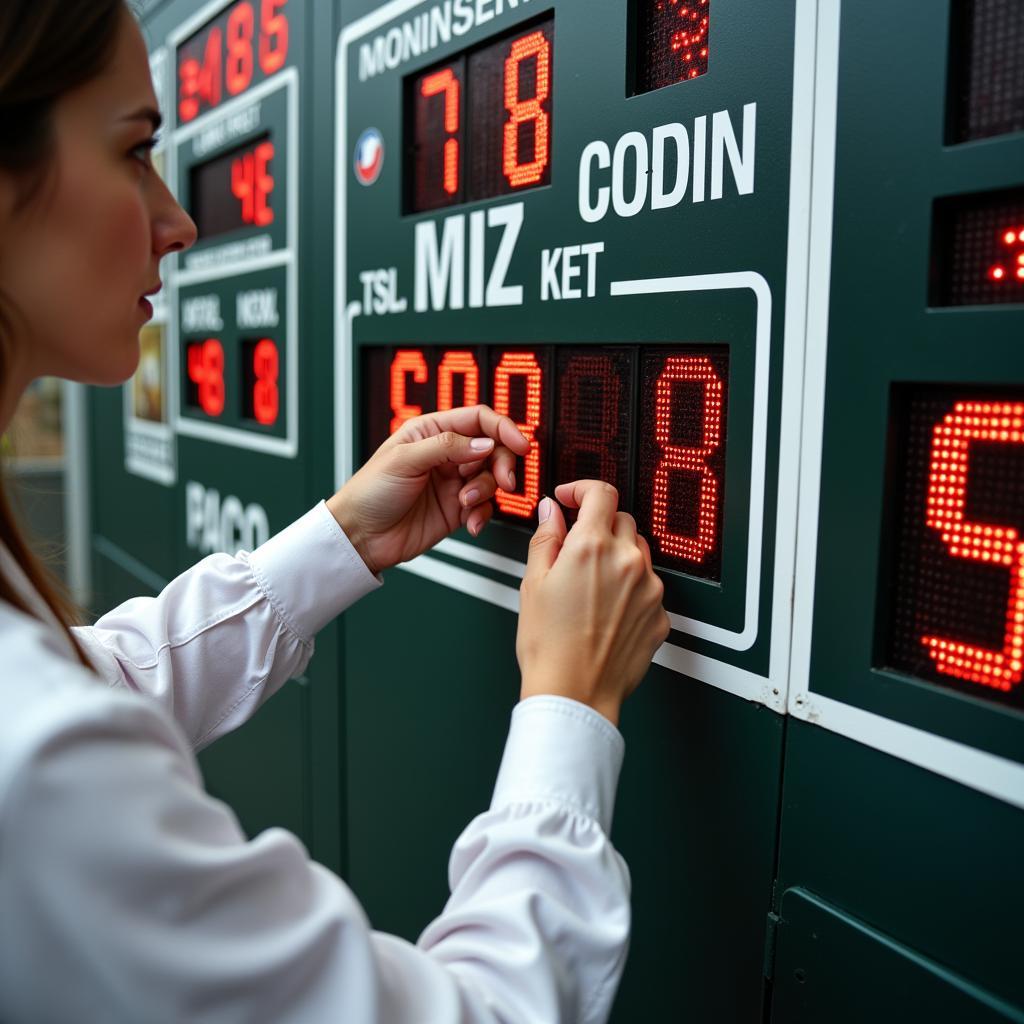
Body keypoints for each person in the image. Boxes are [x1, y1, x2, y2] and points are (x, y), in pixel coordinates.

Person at [0, 2, 670, 1021]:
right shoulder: (36, 775)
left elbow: (94, 682)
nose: (178, 221)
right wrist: (570, 704)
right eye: (136, 150)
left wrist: (341, 539)